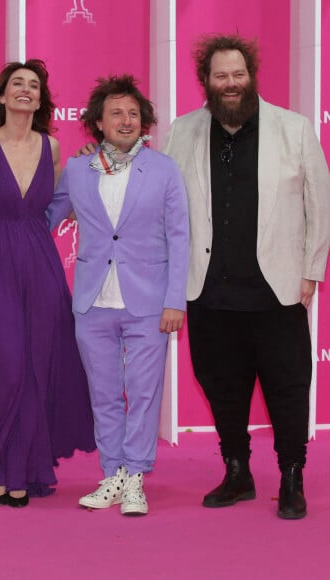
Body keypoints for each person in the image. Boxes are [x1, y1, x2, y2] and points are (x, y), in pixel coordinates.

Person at [162, 34, 330, 519]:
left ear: (251, 76)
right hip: (209, 290)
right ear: (207, 82)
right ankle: (237, 473)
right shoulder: (183, 131)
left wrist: (311, 271)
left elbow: (319, 204)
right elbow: (162, 201)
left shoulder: (293, 129)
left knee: (289, 387)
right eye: (221, 76)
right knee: (221, 386)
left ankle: (292, 476)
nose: (231, 83)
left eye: (238, 74)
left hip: (277, 290)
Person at [0, 59, 95, 506]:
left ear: (40, 98)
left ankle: (22, 470)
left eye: (33, 85)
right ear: (1, 96)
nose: (26, 90)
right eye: (17, 83)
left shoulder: (52, 148)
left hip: (41, 266)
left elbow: (51, 209)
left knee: (36, 370)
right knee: (7, 368)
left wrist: (90, 170)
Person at [47, 75, 189, 516]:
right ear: (98, 123)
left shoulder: (164, 169)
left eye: (133, 113)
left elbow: (179, 236)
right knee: (104, 394)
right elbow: (46, 218)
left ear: (143, 122)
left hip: (148, 302)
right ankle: (112, 475)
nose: (125, 120)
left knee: (144, 393)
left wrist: (175, 301)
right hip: (91, 301)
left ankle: (136, 479)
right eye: (116, 114)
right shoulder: (77, 168)